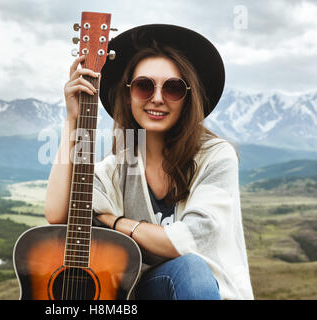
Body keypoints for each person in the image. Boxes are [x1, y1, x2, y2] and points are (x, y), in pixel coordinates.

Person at [45, 24, 254, 300]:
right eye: (144, 86)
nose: (157, 98)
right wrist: (73, 119)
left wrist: (116, 222)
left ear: (187, 97)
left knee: (191, 268)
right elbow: (58, 214)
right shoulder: (117, 168)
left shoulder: (215, 156)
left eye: (173, 88)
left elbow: (189, 240)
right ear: (128, 93)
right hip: (140, 292)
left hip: (204, 290)